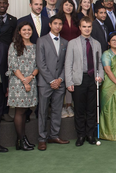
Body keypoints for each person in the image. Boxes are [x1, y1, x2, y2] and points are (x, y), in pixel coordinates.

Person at [64, 16, 104, 146]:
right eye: (84, 27)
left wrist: (100, 76)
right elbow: (68, 63)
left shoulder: (96, 43)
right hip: (78, 80)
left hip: (93, 79)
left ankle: (90, 135)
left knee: (91, 110)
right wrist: (69, 81)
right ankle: (80, 135)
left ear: (92, 28)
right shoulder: (72, 43)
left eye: (89, 27)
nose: (87, 29)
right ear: (80, 28)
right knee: (80, 110)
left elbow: (99, 63)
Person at [36, 16, 70, 151]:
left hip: (60, 83)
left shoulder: (65, 42)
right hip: (45, 83)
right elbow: (40, 63)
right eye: (55, 23)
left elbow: (65, 64)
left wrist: (60, 79)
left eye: (60, 24)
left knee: (57, 111)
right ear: (50, 24)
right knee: (43, 111)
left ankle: (54, 135)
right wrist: (51, 80)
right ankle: (42, 139)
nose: (58, 26)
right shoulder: (41, 40)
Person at [7, 22, 38, 150]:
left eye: (29, 29)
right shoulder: (14, 46)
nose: (27, 32)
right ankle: (21, 140)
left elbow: (38, 66)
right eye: (24, 30)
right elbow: (13, 65)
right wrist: (24, 81)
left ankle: (21, 140)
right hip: (18, 83)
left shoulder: (35, 46)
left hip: (31, 80)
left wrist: (30, 78)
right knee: (19, 111)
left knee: (25, 111)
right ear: (19, 32)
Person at [0, 0, 17, 130]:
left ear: (8, 4)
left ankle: (5, 111)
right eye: (0, 3)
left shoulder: (13, 20)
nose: (2, 5)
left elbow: (14, 39)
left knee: (6, 84)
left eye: (4, 3)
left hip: (6, 58)